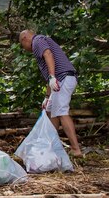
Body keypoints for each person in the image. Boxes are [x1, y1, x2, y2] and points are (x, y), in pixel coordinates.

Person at [19, 29, 82, 157]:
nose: (24, 48)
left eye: (22, 45)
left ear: (25, 38)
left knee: (61, 111)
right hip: (60, 79)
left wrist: (53, 76)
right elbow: (49, 75)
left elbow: (48, 54)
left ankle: (76, 149)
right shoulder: (39, 43)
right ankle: (53, 145)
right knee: (50, 110)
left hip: (64, 78)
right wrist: (47, 97)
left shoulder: (38, 40)